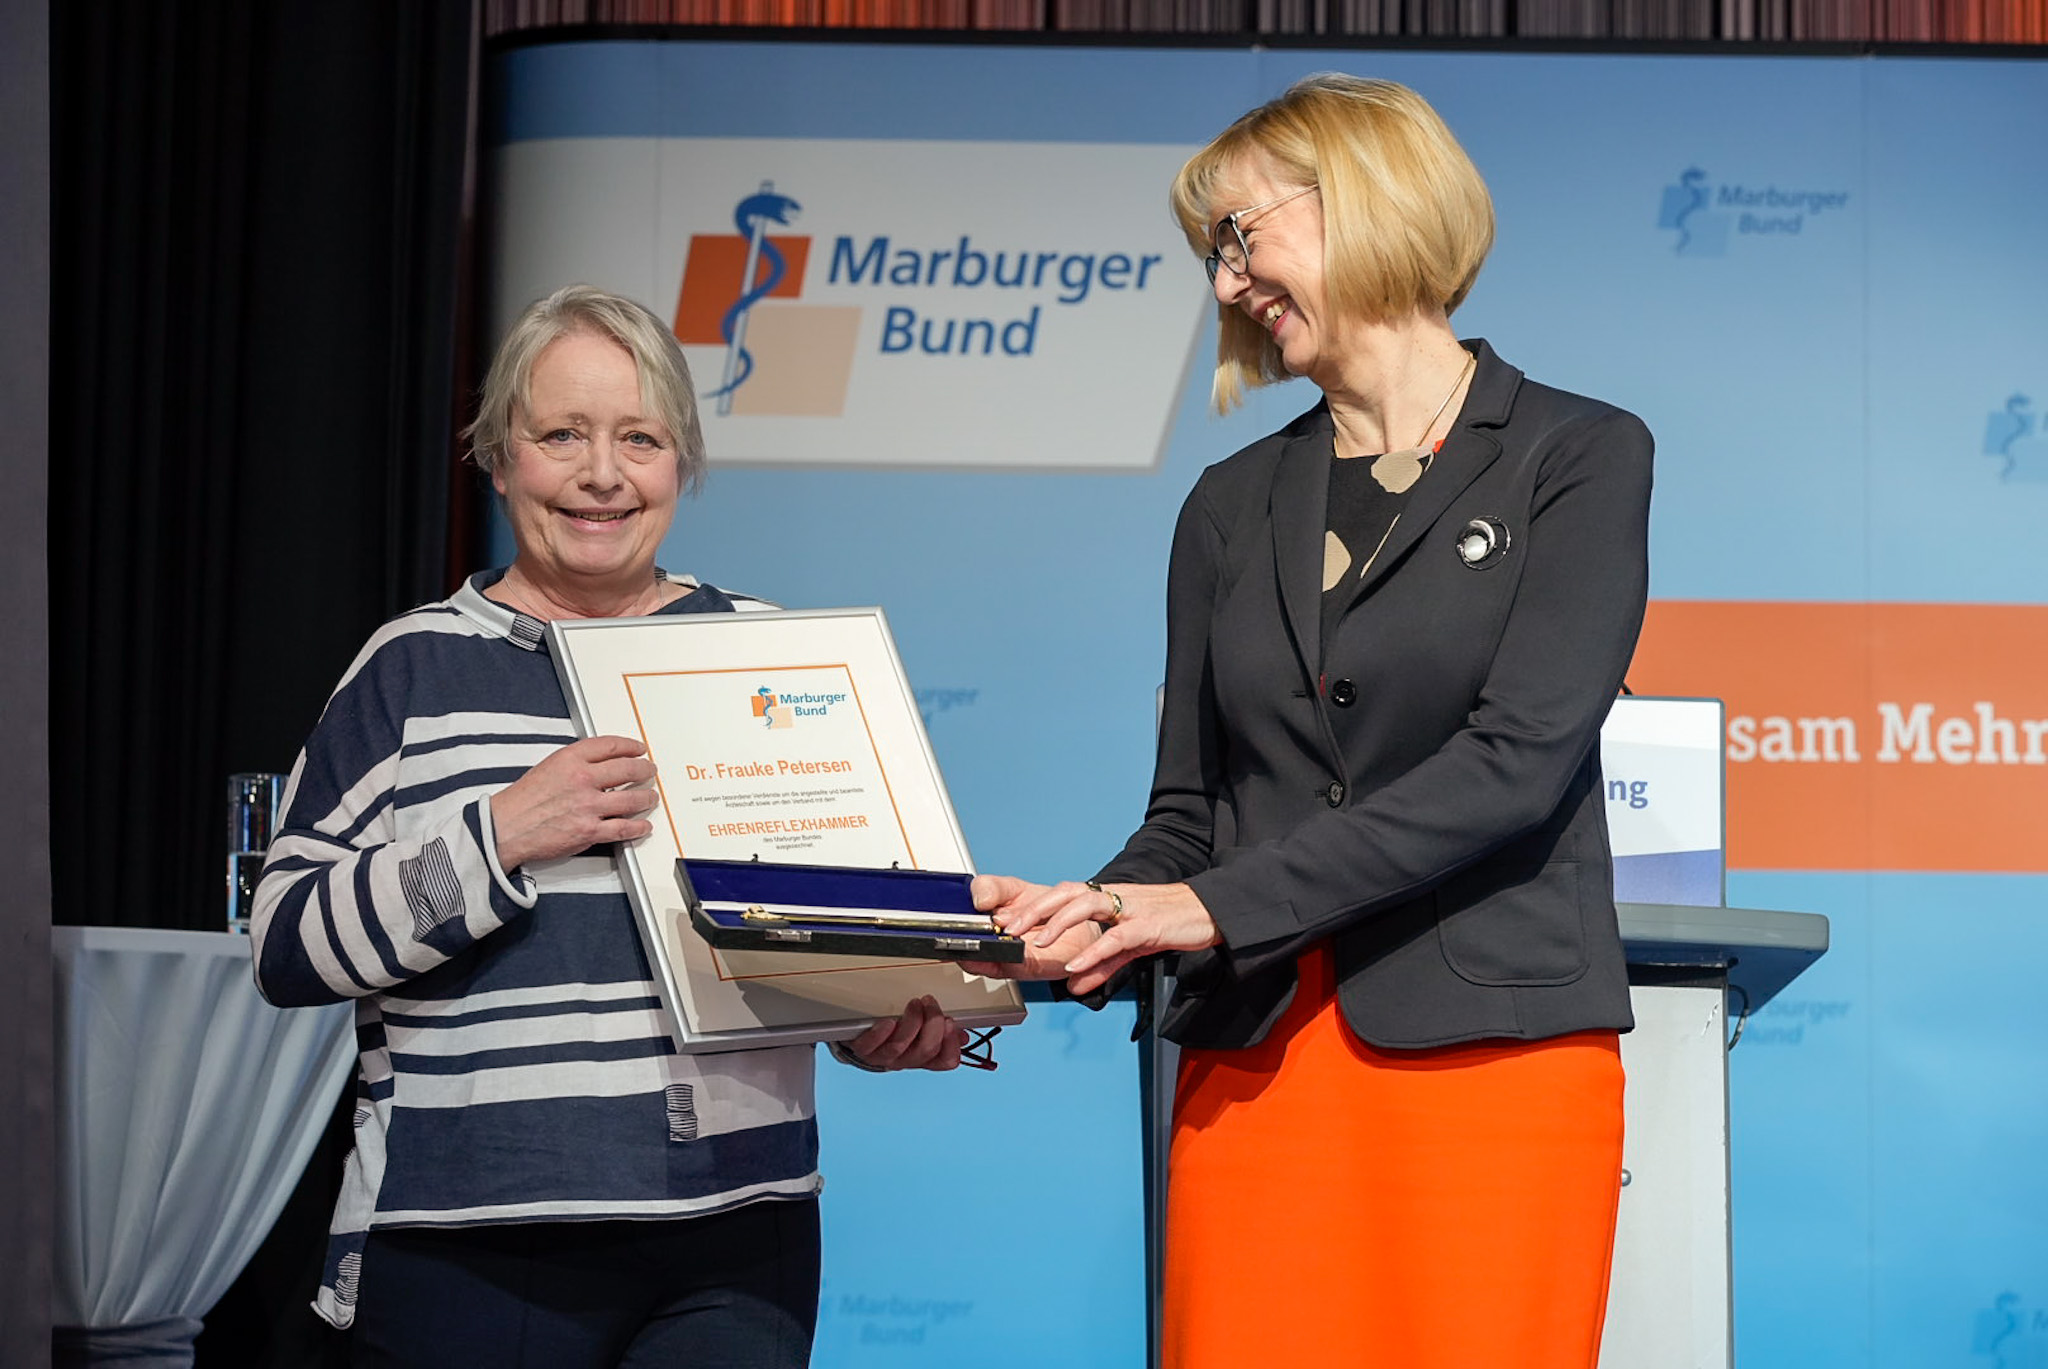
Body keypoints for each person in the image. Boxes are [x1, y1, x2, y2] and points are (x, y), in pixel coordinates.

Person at [971, 75, 1652, 1368]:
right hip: (1258, 1065)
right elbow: (1190, 814)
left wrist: (1212, 907)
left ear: (1365, 197)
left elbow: (1514, 766)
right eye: (1211, 257)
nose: (1225, 286)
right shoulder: (1227, 509)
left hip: (1493, 1075)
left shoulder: (1580, 456)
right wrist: (1078, 923)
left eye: (1239, 238)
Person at [251, 284, 968, 1369]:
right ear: (501, 459)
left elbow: (833, 941)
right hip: (467, 1237)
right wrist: (497, 836)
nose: (602, 474)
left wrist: (872, 1018)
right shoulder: (410, 665)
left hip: (736, 1241)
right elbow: (283, 942)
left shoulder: (765, 655)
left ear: (679, 462)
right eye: (561, 436)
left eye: (639, 437)